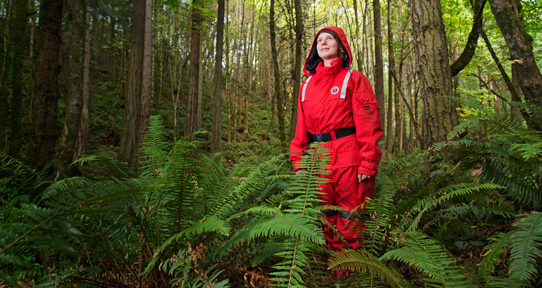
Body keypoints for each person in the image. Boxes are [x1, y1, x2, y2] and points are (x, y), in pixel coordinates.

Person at [289, 26, 383, 253]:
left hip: (348, 154)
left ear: (340, 46)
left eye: (329, 38)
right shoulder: (307, 85)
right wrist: (298, 159)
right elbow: (301, 128)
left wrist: (368, 162)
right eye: (319, 40)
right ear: (315, 49)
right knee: (327, 215)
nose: (323, 42)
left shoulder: (354, 78)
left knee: (350, 216)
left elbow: (368, 122)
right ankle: (335, 266)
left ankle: (352, 270)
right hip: (319, 158)